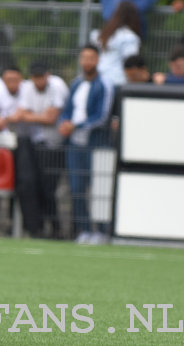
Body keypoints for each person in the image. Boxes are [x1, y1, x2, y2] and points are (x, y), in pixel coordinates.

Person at [58, 45, 113, 244]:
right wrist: (63, 123)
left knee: (98, 188)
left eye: (91, 58)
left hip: (96, 143)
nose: (87, 62)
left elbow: (102, 117)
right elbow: (67, 109)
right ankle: (84, 230)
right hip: (75, 144)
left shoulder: (105, 84)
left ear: (97, 60)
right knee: (76, 187)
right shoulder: (76, 83)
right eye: (84, 58)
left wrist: (77, 126)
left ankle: (102, 231)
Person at [8, 62, 69, 239]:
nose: (39, 81)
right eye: (35, 77)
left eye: (41, 77)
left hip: (55, 145)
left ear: (47, 75)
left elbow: (50, 119)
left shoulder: (57, 86)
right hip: (37, 144)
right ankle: (39, 227)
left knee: (49, 189)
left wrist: (29, 116)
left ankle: (56, 227)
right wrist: (38, 117)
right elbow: (20, 115)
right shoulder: (28, 88)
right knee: (34, 186)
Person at [89, 0, 141, 86]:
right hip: (117, 81)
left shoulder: (101, 34)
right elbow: (131, 62)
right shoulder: (129, 37)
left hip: (97, 78)